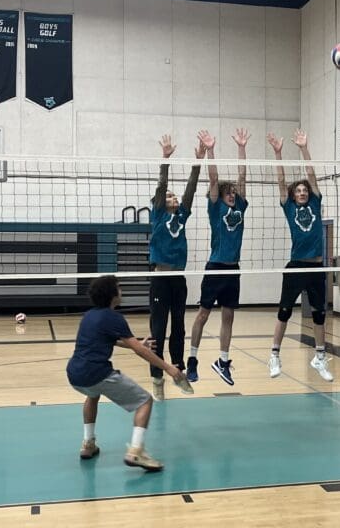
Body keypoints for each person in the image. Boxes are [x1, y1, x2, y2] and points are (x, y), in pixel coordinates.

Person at [66, 275, 193, 472]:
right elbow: (140, 351)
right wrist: (169, 368)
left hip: (75, 374)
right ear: (112, 295)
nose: (121, 290)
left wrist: (135, 344)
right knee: (145, 401)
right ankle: (136, 451)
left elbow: (108, 339)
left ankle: (88, 443)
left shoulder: (89, 315)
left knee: (92, 394)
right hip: (97, 373)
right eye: (119, 287)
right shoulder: (115, 318)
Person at [266, 129, 333, 381]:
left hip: (316, 267)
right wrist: (278, 153)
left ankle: (320, 356)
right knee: (284, 311)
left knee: (319, 314)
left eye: (305, 190)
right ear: (293, 196)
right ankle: (274, 355)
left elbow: (312, 175)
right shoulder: (289, 206)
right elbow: (282, 182)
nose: (303, 192)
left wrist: (304, 148)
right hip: (295, 266)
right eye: (299, 191)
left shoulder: (315, 202)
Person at [186, 128, 249, 385]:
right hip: (215, 268)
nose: (232, 194)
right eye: (228, 192)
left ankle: (223, 362)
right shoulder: (216, 208)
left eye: (233, 192)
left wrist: (241, 147)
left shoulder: (241, 206)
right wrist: (211, 150)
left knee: (229, 316)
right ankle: (192, 359)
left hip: (233, 270)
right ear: (221, 197)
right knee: (203, 315)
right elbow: (213, 180)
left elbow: (243, 176)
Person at [148, 134, 205, 401]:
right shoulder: (158, 213)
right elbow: (161, 187)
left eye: (173, 196)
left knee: (179, 327)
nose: (172, 197)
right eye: (169, 196)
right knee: (158, 329)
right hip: (160, 278)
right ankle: (157, 378)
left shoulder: (181, 214)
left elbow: (191, 190)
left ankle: (178, 371)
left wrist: (198, 162)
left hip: (178, 280)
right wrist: (165, 160)